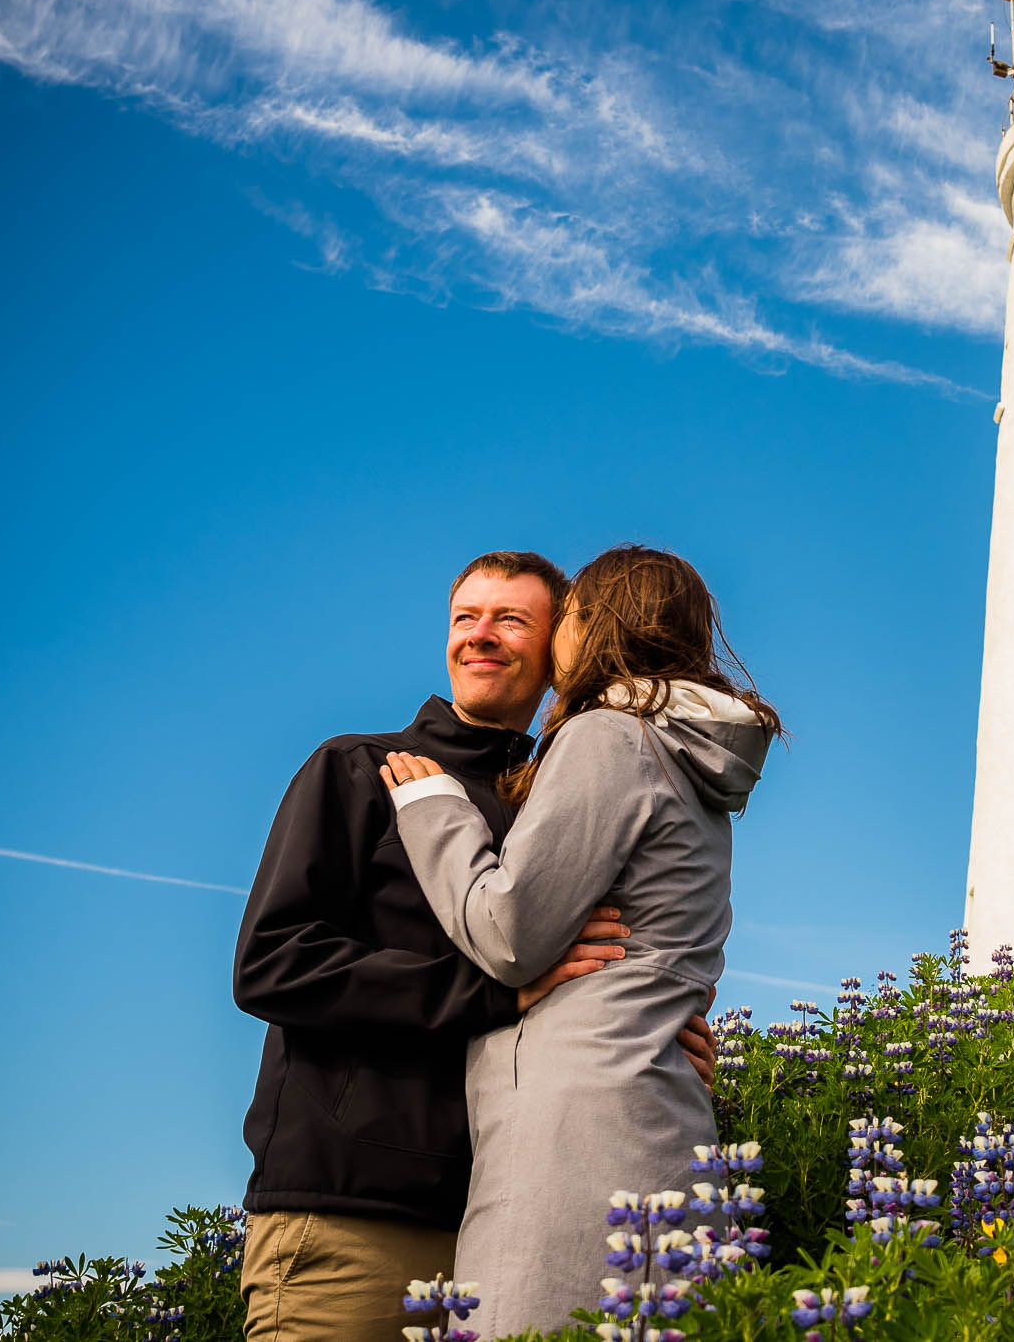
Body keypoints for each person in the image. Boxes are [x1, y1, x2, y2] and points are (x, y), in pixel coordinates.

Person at [232, 551, 719, 1342]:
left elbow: (628, 947)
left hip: (512, 1204)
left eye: (512, 621)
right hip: (355, 1211)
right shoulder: (358, 769)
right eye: (466, 618)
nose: (481, 637)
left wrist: (658, 1035)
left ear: (565, 648)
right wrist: (493, 991)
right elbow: (271, 965)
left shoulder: (568, 785)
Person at [380, 544, 780, 1339]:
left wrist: (436, 809)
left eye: (565, 618)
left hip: (577, 1129)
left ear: (596, 625)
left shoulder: (611, 735)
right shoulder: (687, 757)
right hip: (654, 1107)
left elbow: (509, 932)